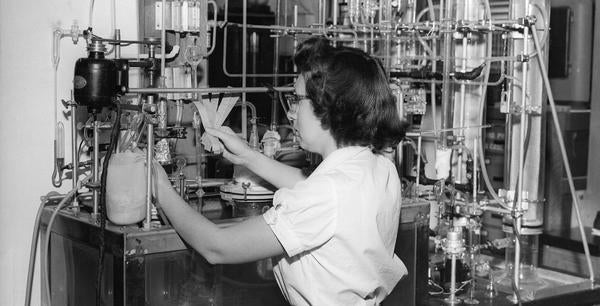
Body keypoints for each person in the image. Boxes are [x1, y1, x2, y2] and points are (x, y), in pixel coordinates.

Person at [154, 36, 408, 305]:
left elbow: (217, 247)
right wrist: (249, 157)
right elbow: (310, 187)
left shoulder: (328, 193)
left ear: (331, 108)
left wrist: (161, 189)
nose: (291, 113)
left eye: (298, 100)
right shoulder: (380, 168)